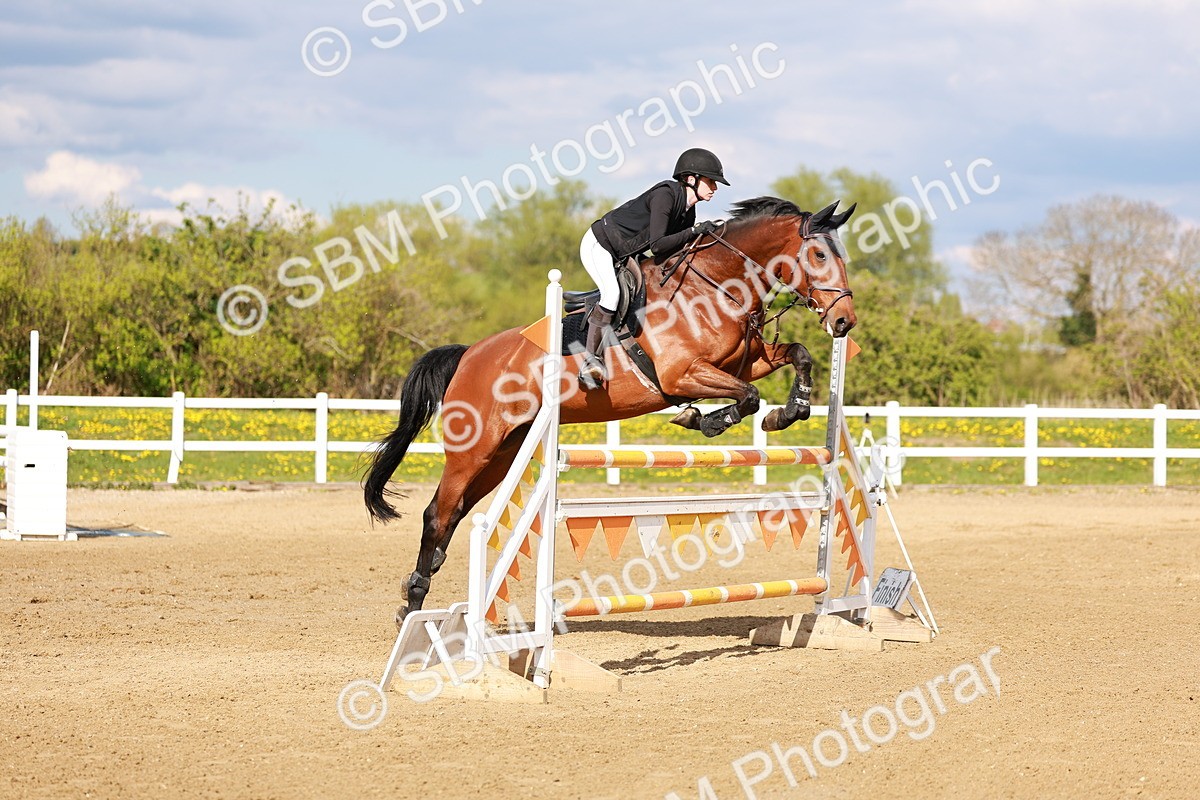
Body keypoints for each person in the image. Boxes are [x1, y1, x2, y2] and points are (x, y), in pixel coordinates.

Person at [577, 147, 729, 388]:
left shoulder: (688, 211)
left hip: (625, 253)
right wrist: (693, 231)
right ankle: (590, 361)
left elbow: (675, 250)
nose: (715, 188)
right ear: (691, 179)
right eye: (711, 181)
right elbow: (658, 245)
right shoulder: (665, 195)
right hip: (600, 244)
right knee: (612, 294)